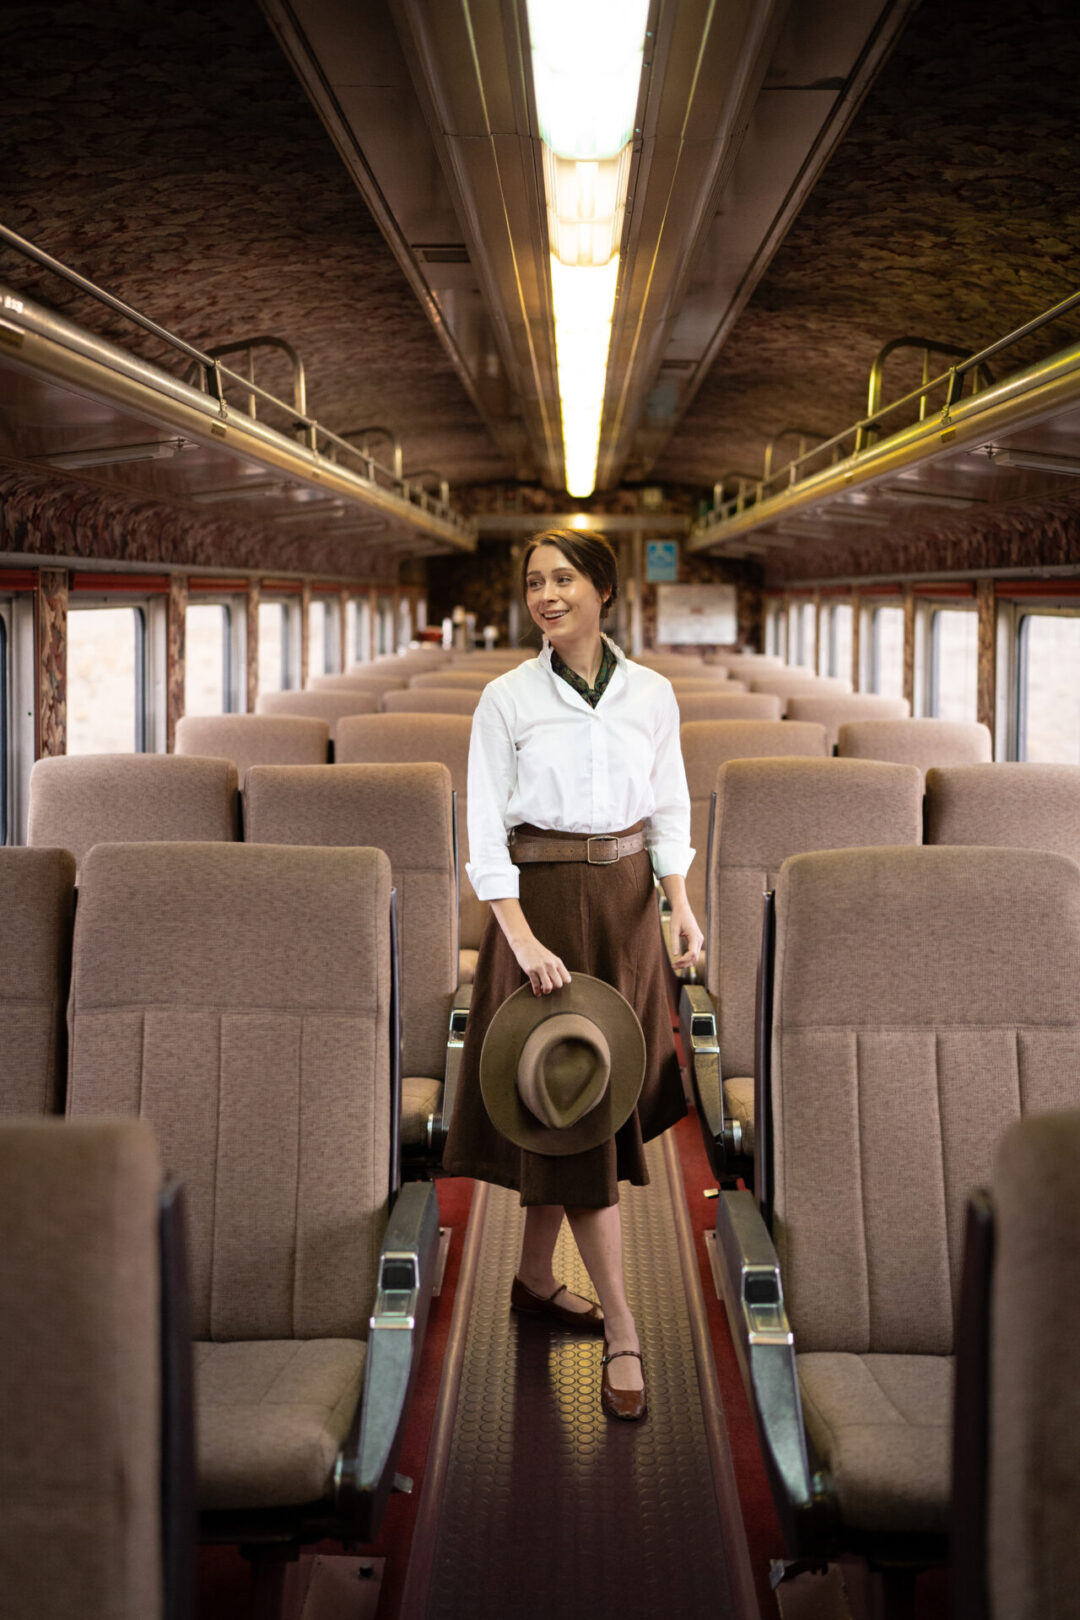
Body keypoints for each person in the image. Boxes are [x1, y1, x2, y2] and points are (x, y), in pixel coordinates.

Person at [442, 527, 703, 1422]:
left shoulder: (653, 695)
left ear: (602, 591)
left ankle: (528, 1278)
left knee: (575, 1107)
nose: (545, 594)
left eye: (562, 578)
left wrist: (681, 906)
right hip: (540, 909)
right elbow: (485, 835)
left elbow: (668, 807)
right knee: (572, 1109)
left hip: (628, 903)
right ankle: (623, 1323)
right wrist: (519, 937)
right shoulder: (505, 698)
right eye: (532, 581)